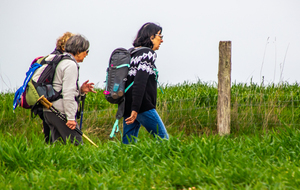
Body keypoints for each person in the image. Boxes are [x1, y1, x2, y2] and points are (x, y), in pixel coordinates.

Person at [43, 34, 96, 145]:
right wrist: (71, 118)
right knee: (77, 146)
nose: (86, 54)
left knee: (59, 149)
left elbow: (60, 87)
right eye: (86, 51)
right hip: (60, 112)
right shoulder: (70, 65)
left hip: (49, 110)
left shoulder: (61, 61)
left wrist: (80, 90)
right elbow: (68, 93)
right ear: (78, 50)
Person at [122, 22, 169, 144]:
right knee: (163, 139)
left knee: (128, 145)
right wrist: (136, 109)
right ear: (151, 37)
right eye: (160, 36)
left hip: (126, 104)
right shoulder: (147, 54)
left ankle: (125, 163)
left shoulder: (130, 53)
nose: (162, 40)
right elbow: (140, 81)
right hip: (142, 105)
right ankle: (165, 163)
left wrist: (132, 108)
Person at [36, 32, 74, 144]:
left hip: (46, 103)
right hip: (55, 104)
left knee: (51, 140)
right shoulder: (62, 61)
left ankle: (51, 159)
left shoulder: (50, 59)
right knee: (67, 142)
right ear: (64, 47)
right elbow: (64, 88)